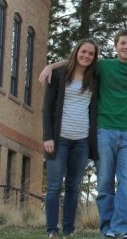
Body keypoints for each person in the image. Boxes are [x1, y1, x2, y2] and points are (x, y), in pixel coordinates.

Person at [40, 29, 127, 239]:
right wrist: (50, 66)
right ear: (116, 45)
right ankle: (68, 229)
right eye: (122, 43)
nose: (126, 47)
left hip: (107, 136)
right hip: (85, 135)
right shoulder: (93, 68)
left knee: (122, 182)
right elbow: (50, 103)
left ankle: (113, 228)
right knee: (90, 183)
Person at [42, 38, 99, 238]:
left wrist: (50, 64)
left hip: (82, 141)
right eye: (83, 51)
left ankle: (69, 228)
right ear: (76, 52)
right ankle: (52, 229)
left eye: (91, 54)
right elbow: (47, 107)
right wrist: (48, 137)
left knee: (73, 187)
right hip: (59, 140)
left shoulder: (94, 77)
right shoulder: (59, 75)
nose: (86, 56)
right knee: (54, 186)